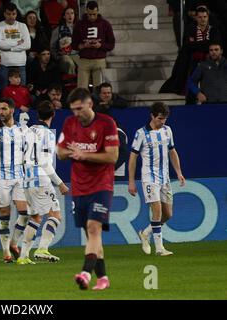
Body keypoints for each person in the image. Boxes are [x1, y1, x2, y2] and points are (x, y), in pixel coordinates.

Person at [56, 88, 119, 290]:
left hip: (102, 184)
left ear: (90, 104)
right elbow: (60, 152)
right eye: (73, 110)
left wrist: (84, 155)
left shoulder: (106, 123)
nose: (76, 114)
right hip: (80, 186)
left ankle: (85, 273)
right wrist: (70, 152)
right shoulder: (69, 123)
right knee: (92, 234)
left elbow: (112, 157)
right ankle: (103, 278)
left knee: (93, 228)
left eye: (79, 109)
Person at [128, 102, 185, 256]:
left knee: (168, 214)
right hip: (149, 177)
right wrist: (131, 181)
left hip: (164, 177)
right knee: (157, 210)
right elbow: (133, 158)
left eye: (165, 119)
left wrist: (179, 172)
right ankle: (160, 248)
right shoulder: (141, 133)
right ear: (152, 116)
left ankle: (146, 233)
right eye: (160, 118)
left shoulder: (167, 130)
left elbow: (172, 151)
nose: (163, 122)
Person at [17, 100, 69, 265]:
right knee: (55, 215)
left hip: (26, 179)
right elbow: (45, 162)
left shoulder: (27, 131)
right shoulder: (48, 134)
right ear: (53, 114)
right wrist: (60, 183)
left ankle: (23, 256)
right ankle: (42, 249)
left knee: (36, 217)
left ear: (37, 115)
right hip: (40, 177)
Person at [0, 97, 29, 263]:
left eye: (4, 109)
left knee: (25, 213)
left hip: (19, 176)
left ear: (12, 110)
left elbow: (27, 153)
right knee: (5, 214)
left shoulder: (23, 130)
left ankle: (14, 243)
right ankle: (6, 253)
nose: (1, 112)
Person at [73, 1, 115, 89]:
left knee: (99, 90)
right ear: (86, 12)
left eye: (94, 14)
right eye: (90, 14)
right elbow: (74, 45)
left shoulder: (105, 24)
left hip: (99, 60)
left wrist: (100, 45)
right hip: (84, 60)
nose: (92, 17)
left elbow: (111, 44)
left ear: (98, 11)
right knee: (81, 90)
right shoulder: (79, 24)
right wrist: (84, 46)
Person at [0, 2, 31, 85]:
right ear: (4, 14)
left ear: (16, 14)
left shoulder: (23, 26)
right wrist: (17, 42)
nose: (11, 16)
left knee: (21, 92)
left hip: (20, 63)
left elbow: (27, 45)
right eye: (8, 14)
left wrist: (10, 48)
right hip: (4, 64)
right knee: (4, 91)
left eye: (13, 14)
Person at [50, 6, 79, 75]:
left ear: (74, 15)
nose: (70, 15)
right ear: (64, 16)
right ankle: (71, 81)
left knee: (84, 63)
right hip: (64, 55)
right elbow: (52, 47)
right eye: (67, 14)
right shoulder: (58, 30)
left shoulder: (79, 28)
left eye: (72, 13)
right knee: (69, 62)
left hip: (77, 54)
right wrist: (57, 56)